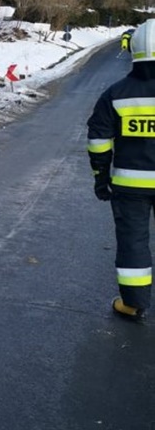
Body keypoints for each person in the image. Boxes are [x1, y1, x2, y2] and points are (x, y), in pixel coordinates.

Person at [87, 19, 155, 322]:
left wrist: (101, 178)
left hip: (130, 187)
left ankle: (133, 304)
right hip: (131, 188)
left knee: (133, 244)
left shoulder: (116, 94)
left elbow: (99, 141)